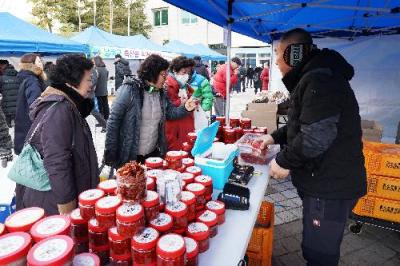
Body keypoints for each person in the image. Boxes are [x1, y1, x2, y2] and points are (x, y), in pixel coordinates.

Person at [258, 28, 366, 266]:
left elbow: (317, 135)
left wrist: (283, 161)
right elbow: (303, 123)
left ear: (293, 54)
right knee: (317, 248)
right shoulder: (315, 76)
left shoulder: (320, 79)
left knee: (320, 255)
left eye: (278, 53)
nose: (275, 60)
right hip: (327, 180)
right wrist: (274, 138)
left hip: (329, 185)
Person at [15, 54, 99, 215]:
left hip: (59, 196)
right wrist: (67, 210)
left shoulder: (70, 105)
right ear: (72, 82)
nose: (91, 84)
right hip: (52, 204)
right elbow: (57, 163)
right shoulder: (60, 110)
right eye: (88, 79)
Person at [104, 54, 197, 168]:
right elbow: (113, 122)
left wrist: (186, 108)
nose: (165, 78)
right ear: (152, 73)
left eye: (166, 74)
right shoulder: (129, 90)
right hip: (130, 155)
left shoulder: (161, 93)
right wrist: (111, 155)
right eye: (163, 74)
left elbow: (170, 113)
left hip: (152, 154)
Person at [14, 53, 47, 155]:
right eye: (39, 61)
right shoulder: (32, 80)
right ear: (32, 64)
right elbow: (35, 105)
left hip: (23, 121)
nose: (41, 63)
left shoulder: (23, 77)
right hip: (31, 125)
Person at [165, 56, 196, 151]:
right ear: (175, 70)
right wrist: (181, 102)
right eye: (184, 72)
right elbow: (167, 109)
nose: (186, 75)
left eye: (188, 73)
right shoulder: (167, 86)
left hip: (185, 126)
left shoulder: (184, 85)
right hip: (176, 131)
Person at [0, 62, 20, 127]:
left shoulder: (2, 78)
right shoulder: (19, 77)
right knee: (17, 127)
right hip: (18, 106)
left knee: (7, 126)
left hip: (6, 106)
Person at [93, 56, 110, 121]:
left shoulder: (96, 69)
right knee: (105, 105)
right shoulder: (105, 69)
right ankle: (107, 119)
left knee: (100, 107)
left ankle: (102, 121)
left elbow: (94, 80)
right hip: (105, 90)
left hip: (98, 90)